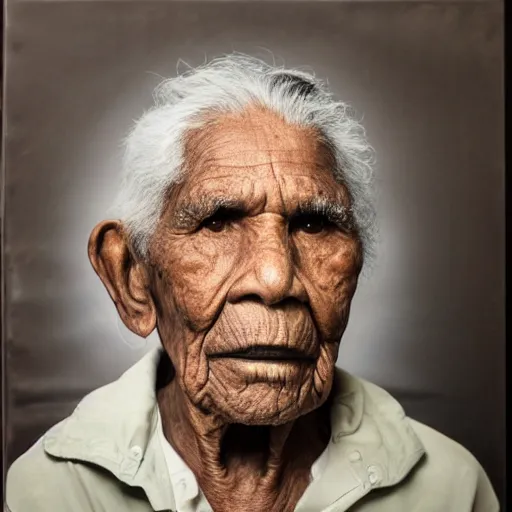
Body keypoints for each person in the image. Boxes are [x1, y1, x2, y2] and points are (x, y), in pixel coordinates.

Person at [5, 54, 499, 512]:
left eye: (313, 224)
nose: (274, 279)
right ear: (133, 277)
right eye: (217, 222)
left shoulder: (451, 490)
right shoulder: (46, 494)